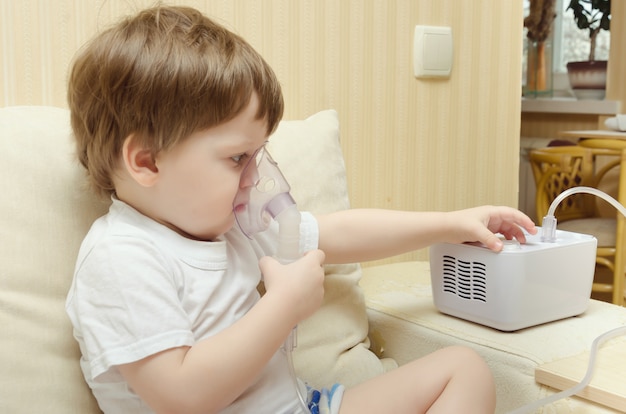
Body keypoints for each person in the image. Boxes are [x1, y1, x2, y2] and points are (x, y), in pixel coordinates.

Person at [65, 5, 536, 414]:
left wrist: (449, 224)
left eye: (259, 154)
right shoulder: (120, 258)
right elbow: (183, 395)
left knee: (463, 370)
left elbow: (340, 232)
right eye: (237, 158)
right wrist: (284, 306)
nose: (256, 175)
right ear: (146, 161)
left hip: (303, 405)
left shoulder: (230, 227)